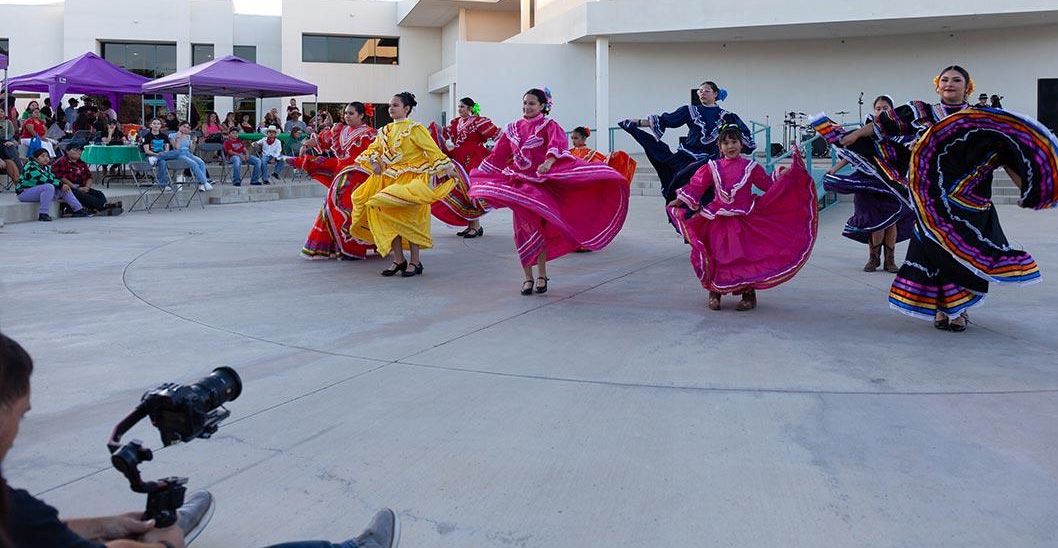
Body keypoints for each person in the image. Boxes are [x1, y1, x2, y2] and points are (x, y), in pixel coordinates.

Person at [0, 332, 401, 548]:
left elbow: (29, 529)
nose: (22, 427)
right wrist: (162, 544)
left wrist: (110, 524)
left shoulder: (12, 508)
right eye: (22, 414)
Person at [831, 65, 1058, 332]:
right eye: (944, 80)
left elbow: (1008, 154)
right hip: (930, 199)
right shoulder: (920, 112)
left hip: (972, 202)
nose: (950, 84)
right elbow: (880, 126)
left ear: (967, 87)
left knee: (963, 257)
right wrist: (854, 135)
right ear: (937, 85)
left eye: (957, 80)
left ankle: (958, 310)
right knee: (936, 256)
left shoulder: (983, 119)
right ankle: (942, 310)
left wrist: (1029, 191)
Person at [468, 88, 630, 295]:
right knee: (521, 231)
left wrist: (549, 162)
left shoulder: (549, 126)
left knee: (540, 230)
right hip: (519, 185)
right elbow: (498, 156)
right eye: (525, 103)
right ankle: (527, 278)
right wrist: (480, 176)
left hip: (541, 186)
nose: (527, 107)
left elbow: (558, 146)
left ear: (543, 106)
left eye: (532, 104)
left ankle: (542, 275)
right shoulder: (513, 128)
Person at [667, 120, 817, 311]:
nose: (730, 146)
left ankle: (748, 294)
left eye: (734, 142)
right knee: (717, 254)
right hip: (717, 219)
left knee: (744, 256)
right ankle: (715, 292)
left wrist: (784, 175)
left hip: (744, 218)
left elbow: (767, 184)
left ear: (741, 144)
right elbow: (697, 186)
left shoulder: (751, 167)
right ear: (719, 147)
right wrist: (679, 201)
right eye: (726, 143)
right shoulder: (712, 167)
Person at [349, 92, 463, 278]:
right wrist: (374, 162)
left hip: (412, 179)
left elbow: (432, 150)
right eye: (390, 105)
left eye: (395, 105)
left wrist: (448, 168)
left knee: (410, 219)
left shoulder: (415, 129)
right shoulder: (385, 130)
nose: (391, 108)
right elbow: (374, 150)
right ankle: (398, 260)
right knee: (388, 217)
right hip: (388, 178)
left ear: (407, 108)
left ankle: (415, 262)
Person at [619, 80, 755, 205]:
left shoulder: (727, 116)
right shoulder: (690, 111)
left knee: (708, 187)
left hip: (711, 158)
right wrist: (638, 122)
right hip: (687, 155)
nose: (702, 93)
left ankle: (704, 217)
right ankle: (686, 216)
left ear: (715, 94)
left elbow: (741, 133)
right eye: (700, 91)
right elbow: (668, 120)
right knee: (675, 174)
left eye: (706, 91)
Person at [819, 95, 914, 273]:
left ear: (892, 111)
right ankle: (873, 259)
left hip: (891, 181)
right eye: (878, 108)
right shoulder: (864, 132)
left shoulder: (901, 133)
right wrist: (834, 169)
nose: (881, 111)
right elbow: (852, 154)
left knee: (891, 220)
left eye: (885, 108)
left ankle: (890, 260)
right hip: (867, 181)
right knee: (874, 220)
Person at [296, 102, 377, 259]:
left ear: (361, 115)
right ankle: (339, 246)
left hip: (360, 178)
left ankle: (354, 247)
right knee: (333, 208)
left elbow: (377, 153)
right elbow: (322, 139)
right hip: (340, 177)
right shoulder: (339, 130)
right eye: (346, 113)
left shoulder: (370, 134)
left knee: (350, 210)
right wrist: (305, 145)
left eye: (351, 113)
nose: (347, 116)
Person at [429, 96, 499, 239]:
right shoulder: (456, 123)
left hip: (473, 159)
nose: (459, 109)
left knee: (471, 191)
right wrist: (434, 129)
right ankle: (471, 226)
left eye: (462, 107)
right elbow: (444, 133)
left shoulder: (479, 122)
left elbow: (497, 135)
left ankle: (476, 226)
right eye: (459, 107)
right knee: (462, 191)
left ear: (470, 108)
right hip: (459, 158)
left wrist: (496, 153)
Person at [16, 147, 88, 221]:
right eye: (42, 156)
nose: (46, 158)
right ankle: (43, 214)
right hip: (24, 193)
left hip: (38, 192)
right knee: (49, 187)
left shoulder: (46, 167)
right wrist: (60, 184)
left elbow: (53, 178)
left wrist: (62, 185)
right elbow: (42, 179)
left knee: (65, 188)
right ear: (35, 158)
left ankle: (78, 209)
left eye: (47, 156)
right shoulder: (30, 166)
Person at [52, 143, 119, 215]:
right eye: (75, 150)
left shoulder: (82, 163)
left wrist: (87, 187)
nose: (78, 152)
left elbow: (89, 177)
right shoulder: (61, 162)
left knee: (99, 194)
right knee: (83, 195)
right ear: (67, 151)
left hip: (82, 186)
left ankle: (100, 208)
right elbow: (61, 178)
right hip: (68, 188)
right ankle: (104, 207)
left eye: (80, 150)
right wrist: (76, 187)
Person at [568, 126, 638, 183]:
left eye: (576, 138)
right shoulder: (569, 152)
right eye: (572, 138)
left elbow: (604, 164)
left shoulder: (591, 153)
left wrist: (617, 157)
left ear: (584, 138)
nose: (573, 141)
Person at [170, 123, 214, 190]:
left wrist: (193, 142)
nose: (186, 128)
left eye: (187, 127)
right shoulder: (172, 135)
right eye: (184, 126)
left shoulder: (188, 136)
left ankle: (201, 185)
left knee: (201, 162)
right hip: (178, 154)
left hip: (188, 153)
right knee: (193, 163)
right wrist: (178, 137)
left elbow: (192, 151)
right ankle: (205, 182)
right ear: (179, 126)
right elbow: (177, 148)